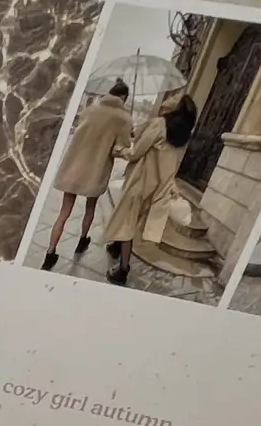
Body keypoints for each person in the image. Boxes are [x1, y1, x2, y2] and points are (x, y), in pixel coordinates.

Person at [100, 93, 198, 287]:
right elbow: (171, 164)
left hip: (139, 183)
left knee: (126, 224)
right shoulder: (181, 135)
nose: (170, 97)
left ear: (176, 107)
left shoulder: (159, 124)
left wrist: (119, 150)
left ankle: (123, 269)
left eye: (176, 97)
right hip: (156, 187)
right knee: (132, 221)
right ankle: (116, 247)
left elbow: (136, 153)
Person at [42, 80, 133, 269]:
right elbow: (119, 149)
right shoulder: (123, 118)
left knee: (64, 212)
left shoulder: (91, 109)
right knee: (89, 209)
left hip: (74, 167)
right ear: (124, 97)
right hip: (96, 170)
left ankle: (50, 253)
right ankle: (82, 241)